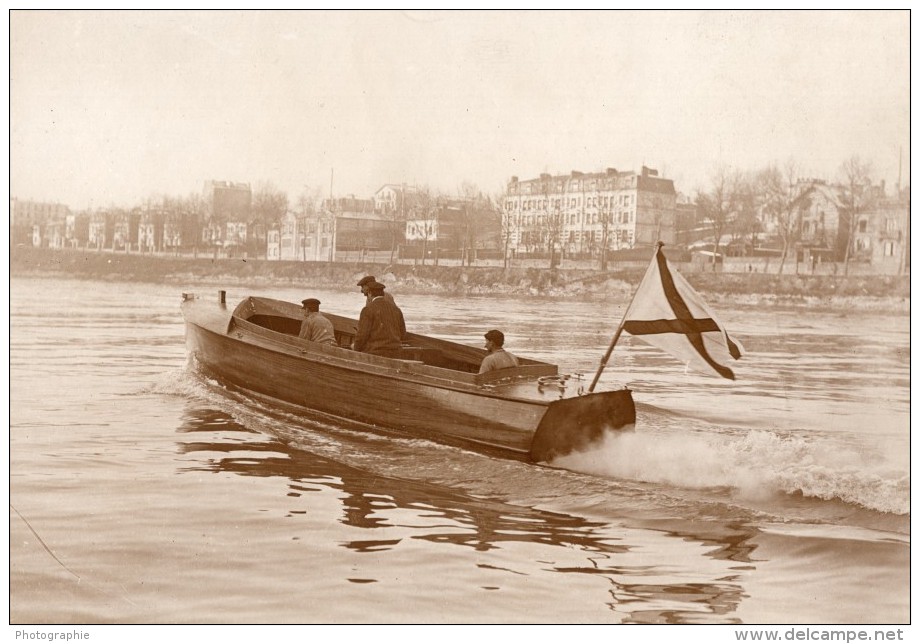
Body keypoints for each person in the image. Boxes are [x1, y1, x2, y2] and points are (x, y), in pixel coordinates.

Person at [354, 281, 406, 358]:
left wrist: (355, 348)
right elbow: (403, 333)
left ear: (370, 293)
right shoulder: (396, 310)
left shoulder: (367, 310)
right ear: (382, 293)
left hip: (375, 353)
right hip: (396, 353)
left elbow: (362, 336)